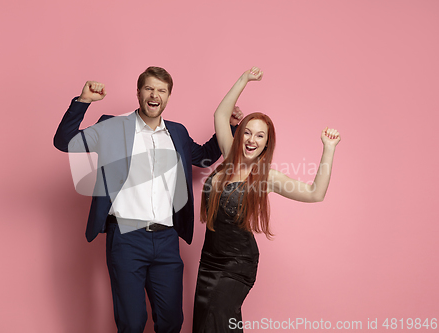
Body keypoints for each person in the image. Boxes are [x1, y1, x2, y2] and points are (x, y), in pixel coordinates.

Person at [53, 66, 241, 333]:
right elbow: (64, 141)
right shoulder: (113, 126)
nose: (155, 95)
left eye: (162, 90)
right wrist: (83, 101)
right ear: (139, 92)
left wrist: (230, 126)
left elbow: (205, 157)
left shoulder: (177, 133)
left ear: (168, 96)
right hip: (127, 238)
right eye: (149, 88)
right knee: (131, 323)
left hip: (166, 240)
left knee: (171, 322)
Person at [192, 67, 341, 333]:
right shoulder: (228, 157)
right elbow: (221, 114)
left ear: (266, 143)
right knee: (211, 323)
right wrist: (244, 79)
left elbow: (314, 193)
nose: (251, 139)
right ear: (239, 134)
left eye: (260, 135)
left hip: (238, 264)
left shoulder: (266, 176)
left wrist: (328, 150)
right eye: (248, 132)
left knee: (216, 319)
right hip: (209, 259)